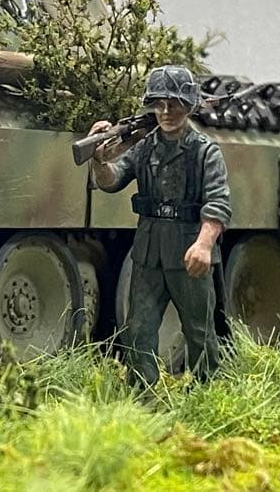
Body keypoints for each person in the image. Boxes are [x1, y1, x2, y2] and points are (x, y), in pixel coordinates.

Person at [88, 65, 231, 385]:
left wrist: (204, 244)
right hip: (149, 251)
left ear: (189, 105)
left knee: (198, 329)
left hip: (188, 248)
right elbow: (112, 180)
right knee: (139, 329)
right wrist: (98, 160)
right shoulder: (145, 146)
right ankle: (141, 393)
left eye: (174, 104)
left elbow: (218, 203)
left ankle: (206, 389)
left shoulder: (204, 152)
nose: (166, 112)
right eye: (159, 104)